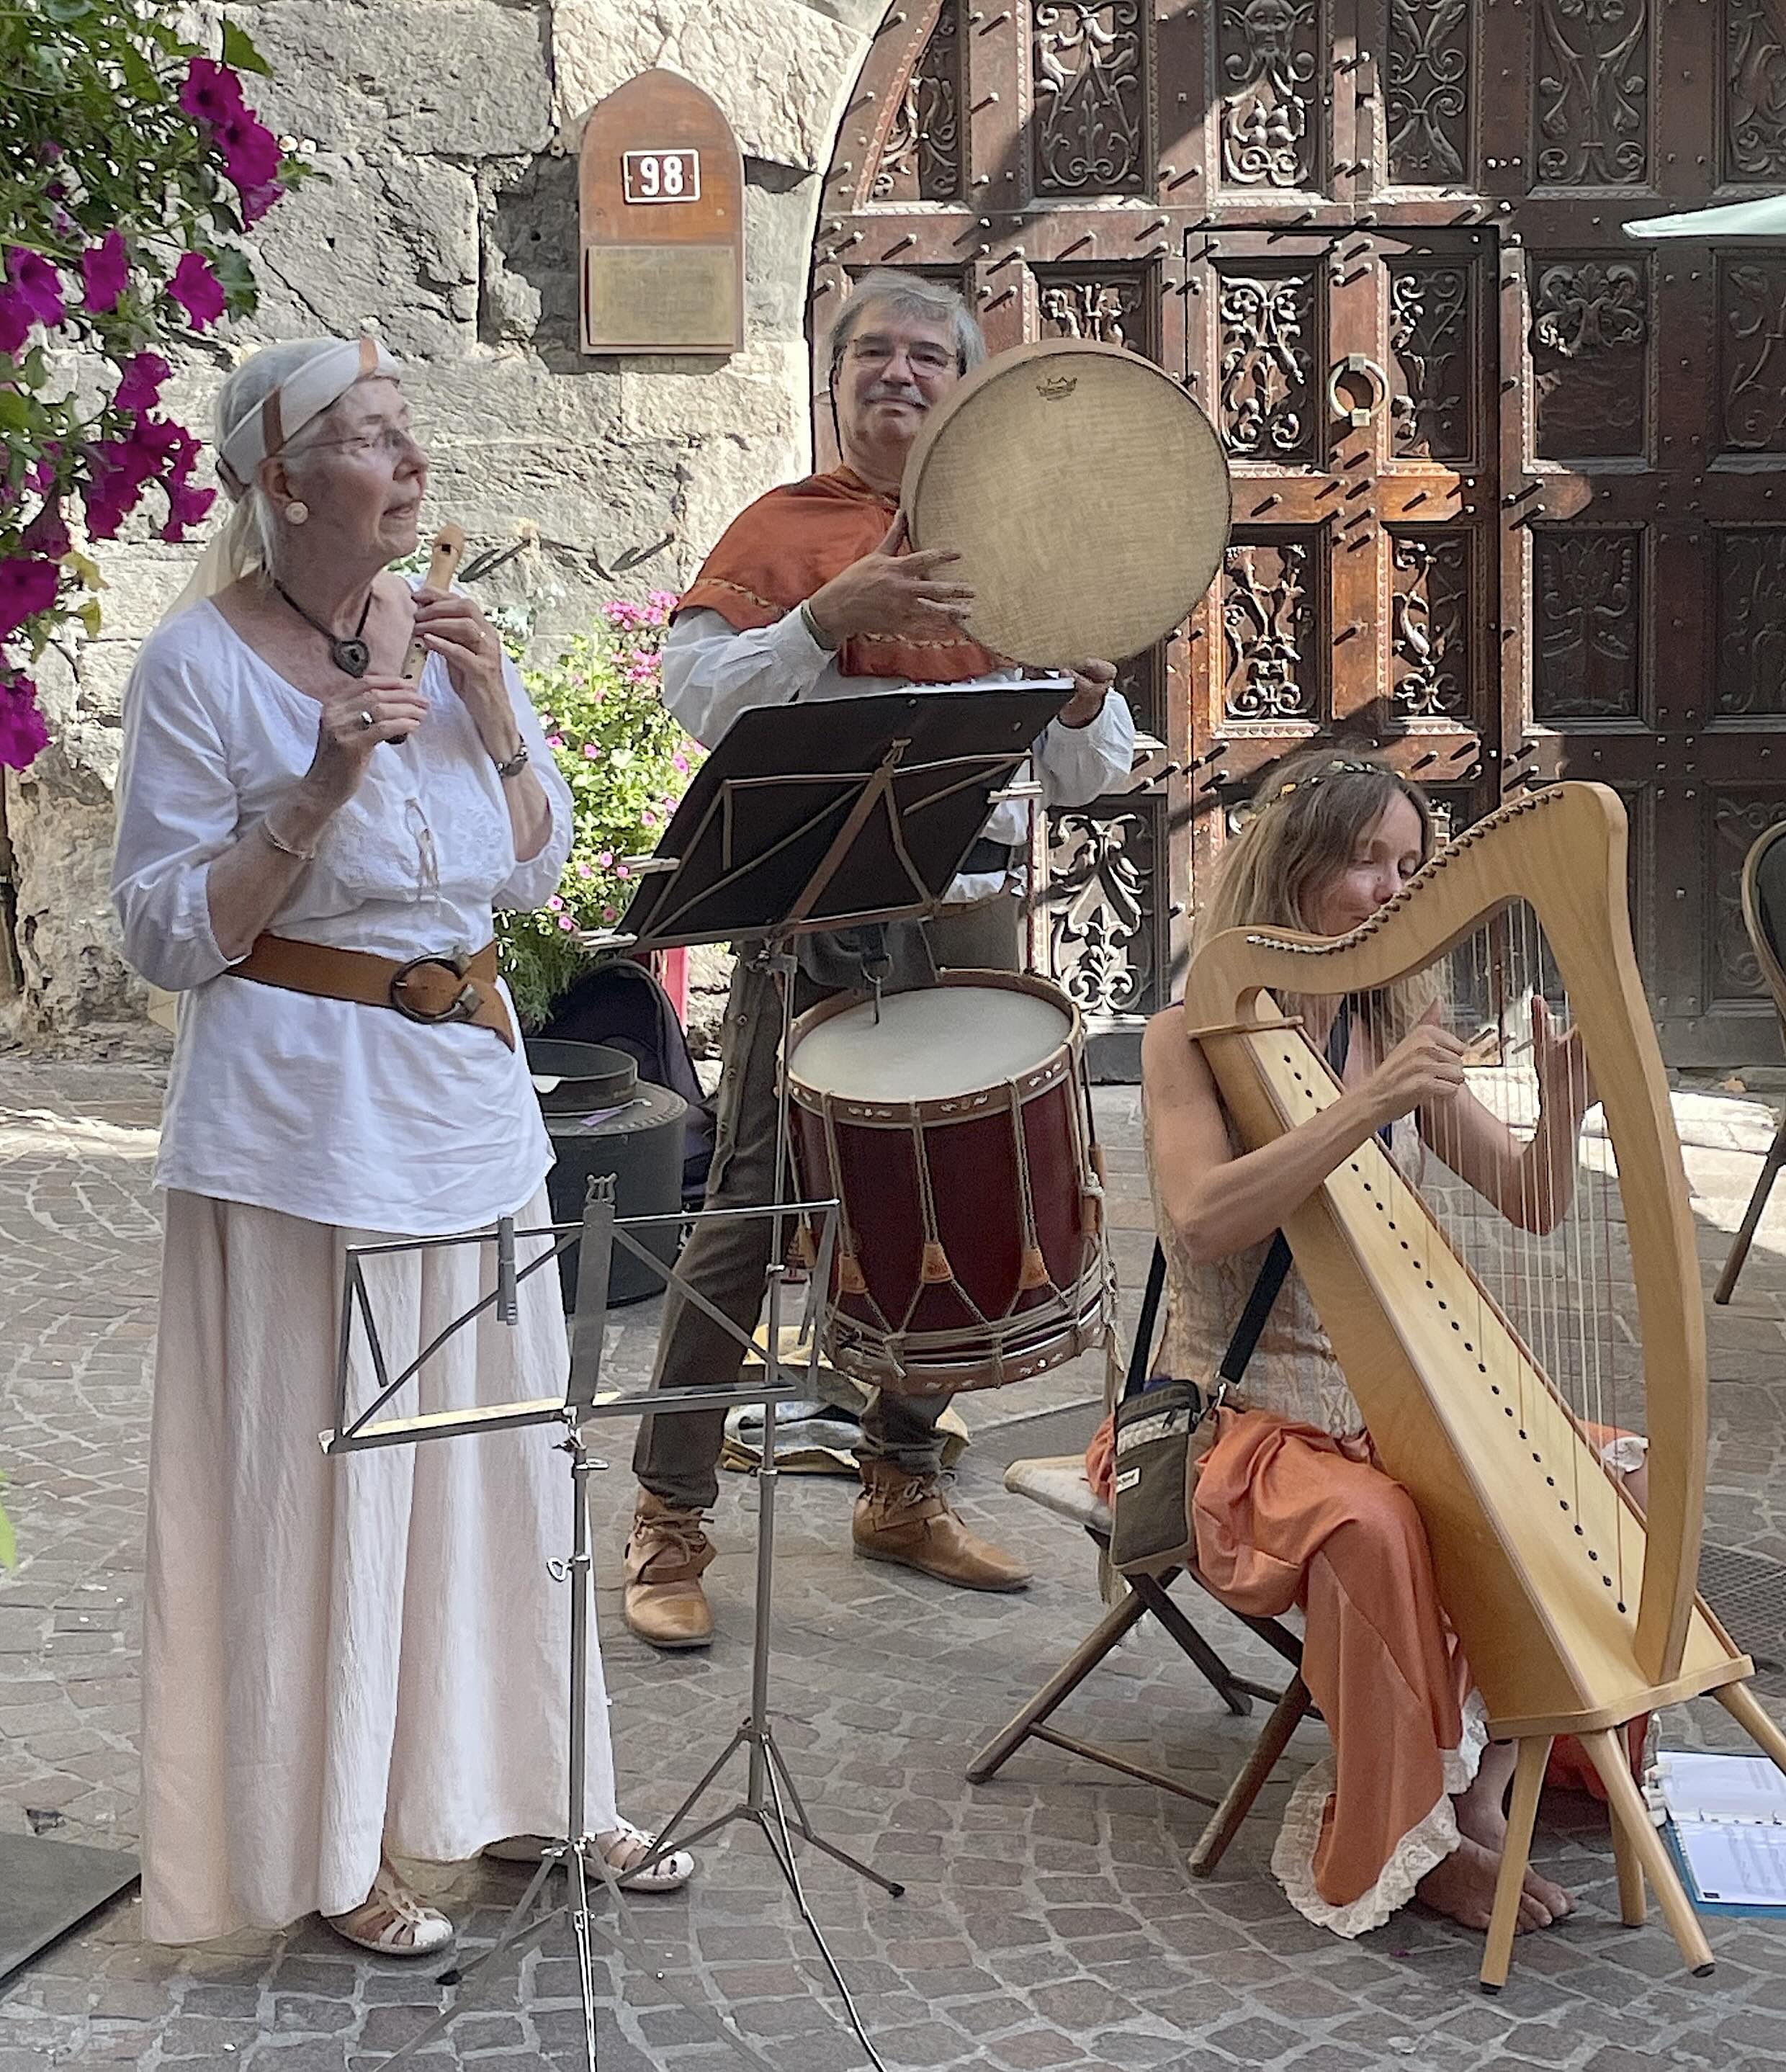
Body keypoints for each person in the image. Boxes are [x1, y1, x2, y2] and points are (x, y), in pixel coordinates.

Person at [112, 335, 693, 1957]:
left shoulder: (438, 641)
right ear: (285, 480)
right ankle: (333, 1841)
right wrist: (316, 784)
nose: (411, 458)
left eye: (407, 429)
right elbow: (166, 932)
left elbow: (525, 868)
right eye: (372, 438)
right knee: (331, 1483)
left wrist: (496, 706)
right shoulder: (199, 666)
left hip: (469, 1098)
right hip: (301, 1123)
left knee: (505, 1465)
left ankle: (529, 1789)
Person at [623, 272, 1136, 1649]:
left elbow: (1090, 772)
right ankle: (670, 1509)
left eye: (928, 355)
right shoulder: (782, 531)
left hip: (967, 919)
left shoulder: (1019, 543)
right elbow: (697, 704)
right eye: (872, 354)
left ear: (965, 386)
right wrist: (821, 614)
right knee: (748, 1207)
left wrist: (1085, 698)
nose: (898, 373)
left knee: (957, 1195)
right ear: (835, 376)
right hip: (815, 927)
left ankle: (900, 1481)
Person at [1120, 748, 1647, 1939]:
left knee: (1608, 1469)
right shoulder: (1187, 1037)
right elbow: (1203, 1218)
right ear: (1294, 872)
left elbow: (1526, 1197)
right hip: (1241, 1419)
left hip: (1378, 1410)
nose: (1394, 889)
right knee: (1377, 1525)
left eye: (1412, 866)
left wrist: (1562, 1103)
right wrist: (1365, 1106)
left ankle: (1488, 1788)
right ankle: (1411, 1834)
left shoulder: (1390, 1020)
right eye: (1367, 862)